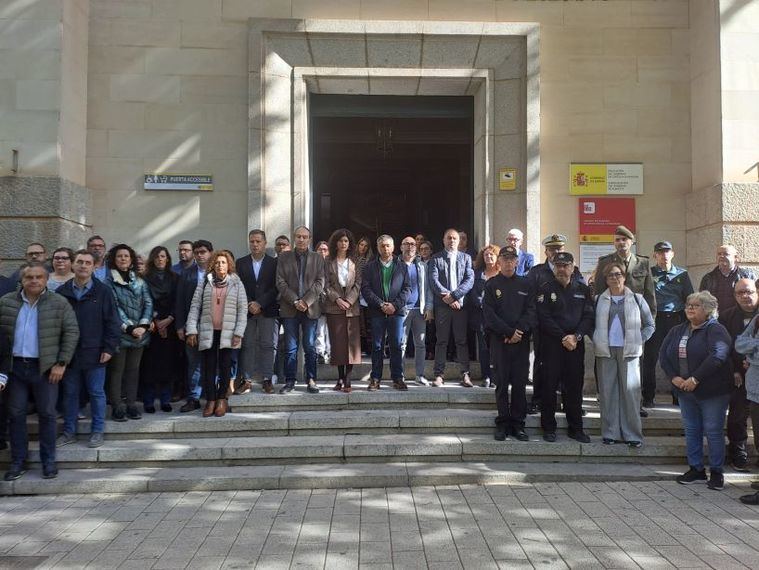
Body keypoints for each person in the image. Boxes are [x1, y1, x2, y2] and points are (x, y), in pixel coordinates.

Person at [0, 262, 79, 481]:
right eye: (29, 277)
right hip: (15, 368)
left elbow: (71, 332)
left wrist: (61, 363)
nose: (34, 281)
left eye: (38, 277)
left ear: (46, 280)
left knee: (47, 414)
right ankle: (18, 461)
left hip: (45, 368)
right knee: (15, 415)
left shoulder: (59, 302)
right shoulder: (6, 302)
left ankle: (48, 461)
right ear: (21, 280)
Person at [660, 291, 733, 490]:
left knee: (713, 431)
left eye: (696, 305)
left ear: (708, 310)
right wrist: (674, 377)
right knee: (692, 430)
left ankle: (717, 472)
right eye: (688, 305)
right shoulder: (678, 329)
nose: (690, 308)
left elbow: (718, 355)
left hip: (712, 392)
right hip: (684, 391)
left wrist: (695, 378)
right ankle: (696, 469)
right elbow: (663, 355)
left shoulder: (715, 330)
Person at [56, 250, 121, 448]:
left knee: (96, 392)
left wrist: (109, 348)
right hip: (69, 353)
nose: (83, 266)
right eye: (80, 262)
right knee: (70, 393)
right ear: (73, 265)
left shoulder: (103, 291)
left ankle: (97, 431)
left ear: (94, 267)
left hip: (95, 351)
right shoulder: (61, 292)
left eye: (87, 262)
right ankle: (69, 432)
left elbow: (113, 322)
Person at [593, 262, 655, 448]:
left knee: (630, 393)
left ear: (624, 276)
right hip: (606, 351)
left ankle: (633, 434)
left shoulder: (637, 298)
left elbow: (650, 324)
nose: (615, 277)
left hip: (630, 352)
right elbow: (590, 322)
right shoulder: (598, 299)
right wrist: (595, 339)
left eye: (618, 274)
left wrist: (639, 339)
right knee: (608, 392)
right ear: (605, 279)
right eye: (611, 275)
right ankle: (610, 432)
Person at [536, 252, 595, 443]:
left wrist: (576, 336)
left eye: (565, 265)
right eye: (558, 265)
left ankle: (576, 428)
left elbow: (588, 317)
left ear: (573, 266)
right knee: (549, 387)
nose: (561, 269)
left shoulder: (583, 290)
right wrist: (563, 337)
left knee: (574, 388)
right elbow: (543, 317)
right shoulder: (545, 289)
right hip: (552, 345)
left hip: (575, 346)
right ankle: (548, 428)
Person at [186, 250, 247, 418]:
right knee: (209, 367)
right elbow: (195, 307)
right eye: (218, 262)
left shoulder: (236, 283)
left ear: (229, 266)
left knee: (226, 367)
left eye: (224, 262)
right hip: (208, 331)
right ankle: (211, 400)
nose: (220, 265)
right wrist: (191, 329)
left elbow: (242, 310)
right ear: (213, 265)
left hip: (228, 332)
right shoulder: (205, 282)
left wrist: (239, 332)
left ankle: (222, 399)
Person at [483, 246, 536, 441]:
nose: (507, 262)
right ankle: (503, 423)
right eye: (504, 259)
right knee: (502, 383)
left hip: (520, 342)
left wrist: (517, 332)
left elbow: (531, 312)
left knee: (520, 384)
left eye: (511, 259)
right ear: (499, 262)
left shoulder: (526, 284)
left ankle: (518, 424)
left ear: (517, 262)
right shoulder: (491, 285)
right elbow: (489, 314)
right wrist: (507, 332)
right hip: (500, 341)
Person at [641, 241, 693, 408]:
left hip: (676, 321)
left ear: (673, 254)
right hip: (655, 321)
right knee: (650, 359)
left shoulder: (682, 275)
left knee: (678, 358)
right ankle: (648, 396)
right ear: (655, 255)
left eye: (667, 252)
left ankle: (677, 396)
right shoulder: (649, 274)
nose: (664, 255)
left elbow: (689, 298)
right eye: (660, 252)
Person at [105, 243, 153, 421]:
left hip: (140, 333)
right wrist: (130, 327)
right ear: (114, 259)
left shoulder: (140, 281)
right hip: (120, 333)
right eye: (119, 256)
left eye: (126, 256)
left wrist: (143, 325)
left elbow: (148, 303)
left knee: (133, 370)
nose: (123, 259)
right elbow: (114, 307)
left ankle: (131, 404)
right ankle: (118, 406)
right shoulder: (108, 282)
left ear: (131, 259)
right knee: (117, 371)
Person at [276, 226, 325, 394]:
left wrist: (306, 301)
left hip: (310, 309)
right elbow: (280, 282)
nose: (301, 240)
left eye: (305, 237)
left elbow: (320, 282)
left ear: (309, 239)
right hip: (290, 308)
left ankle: (311, 379)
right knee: (290, 347)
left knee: (310, 346)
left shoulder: (318, 258)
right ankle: (290, 380)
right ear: (294, 238)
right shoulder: (284, 257)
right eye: (298, 237)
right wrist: (295, 300)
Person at [361, 235, 411, 391]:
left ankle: (398, 378)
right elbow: (366, 289)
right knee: (377, 346)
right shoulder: (369, 267)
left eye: (388, 245)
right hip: (377, 311)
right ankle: (375, 378)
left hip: (396, 312)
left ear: (393, 247)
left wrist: (394, 306)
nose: (385, 249)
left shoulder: (402, 266)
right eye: (382, 246)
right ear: (377, 247)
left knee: (396, 345)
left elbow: (407, 289)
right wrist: (381, 304)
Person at [718, 278, 758, 471]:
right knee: (737, 415)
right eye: (740, 293)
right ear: (734, 296)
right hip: (737, 373)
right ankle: (738, 452)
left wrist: (752, 360)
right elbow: (724, 346)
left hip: (756, 371)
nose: (745, 296)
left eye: (749, 291)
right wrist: (734, 370)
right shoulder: (726, 317)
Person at [429, 228, 474, 387]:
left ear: (459, 241)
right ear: (443, 240)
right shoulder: (436, 258)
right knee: (441, 341)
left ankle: (465, 375)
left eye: (455, 238)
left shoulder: (466, 258)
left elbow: (469, 280)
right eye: (449, 238)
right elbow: (434, 282)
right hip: (443, 306)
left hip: (460, 306)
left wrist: (454, 296)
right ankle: (439, 375)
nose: (452, 241)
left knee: (461, 341)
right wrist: (447, 298)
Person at [236, 229, 279, 395]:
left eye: (258, 241)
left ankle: (267, 379)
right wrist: (249, 303)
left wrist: (260, 303)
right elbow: (238, 285)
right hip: (247, 311)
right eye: (252, 241)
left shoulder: (274, 263)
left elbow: (277, 287)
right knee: (247, 345)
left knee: (268, 345)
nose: (254, 244)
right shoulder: (240, 263)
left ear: (265, 243)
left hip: (267, 310)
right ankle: (246, 380)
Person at [174, 239, 213, 412]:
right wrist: (180, 326)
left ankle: (212, 396)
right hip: (192, 324)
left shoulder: (218, 271)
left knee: (214, 361)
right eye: (197, 252)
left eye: (203, 252)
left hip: (214, 323)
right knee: (194, 362)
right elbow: (180, 301)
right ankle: (193, 398)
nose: (200, 255)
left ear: (210, 252)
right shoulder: (187, 274)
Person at [141, 246, 180, 413]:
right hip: (151, 326)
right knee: (149, 366)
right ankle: (148, 401)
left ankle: (165, 399)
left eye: (163, 256)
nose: (160, 259)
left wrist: (169, 319)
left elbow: (179, 301)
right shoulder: (144, 278)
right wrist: (156, 321)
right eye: (156, 257)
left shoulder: (175, 278)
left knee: (168, 365)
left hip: (170, 326)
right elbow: (144, 300)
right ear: (152, 259)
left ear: (168, 259)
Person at [323, 229, 362, 392]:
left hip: (351, 307)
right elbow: (325, 284)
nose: (343, 244)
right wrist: (338, 299)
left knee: (351, 344)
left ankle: (348, 379)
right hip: (335, 306)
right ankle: (339, 377)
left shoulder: (356, 261)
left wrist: (349, 300)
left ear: (349, 243)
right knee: (338, 344)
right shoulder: (328, 261)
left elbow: (358, 283)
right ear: (335, 243)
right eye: (340, 241)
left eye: (346, 241)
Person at [399, 236, 433, 386]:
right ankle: (399, 376)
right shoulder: (396, 264)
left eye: (412, 244)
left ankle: (419, 375)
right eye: (406, 244)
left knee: (420, 344)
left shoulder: (421, 265)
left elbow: (428, 289)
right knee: (402, 344)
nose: (410, 246)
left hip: (419, 309)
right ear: (401, 247)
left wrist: (429, 307)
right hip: (402, 309)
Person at [468, 244, 500, 388]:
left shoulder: (502, 274)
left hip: (499, 317)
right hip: (481, 316)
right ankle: (486, 376)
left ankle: (497, 376)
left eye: (491, 255)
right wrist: (485, 305)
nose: (489, 257)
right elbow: (473, 294)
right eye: (486, 255)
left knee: (497, 348)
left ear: (497, 257)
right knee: (483, 348)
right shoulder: (477, 273)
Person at [736, 312, 759, 504]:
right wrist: (756, 347)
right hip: (755, 391)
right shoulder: (758, 319)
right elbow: (740, 343)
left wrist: (752, 355)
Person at [699, 245, 756, 312]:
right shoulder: (708, 278)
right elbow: (702, 301)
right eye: (719, 254)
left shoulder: (747, 276)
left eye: (726, 254)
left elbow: (756, 297)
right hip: (716, 319)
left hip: (739, 317)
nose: (721, 256)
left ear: (736, 257)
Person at [314, 240, 331, 364]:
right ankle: (320, 352)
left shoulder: (332, 264)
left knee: (330, 329)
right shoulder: (312, 264)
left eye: (325, 249)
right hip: (316, 302)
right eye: (320, 249)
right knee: (319, 329)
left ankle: (330, 352)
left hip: (331, 301)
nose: (323, 252)